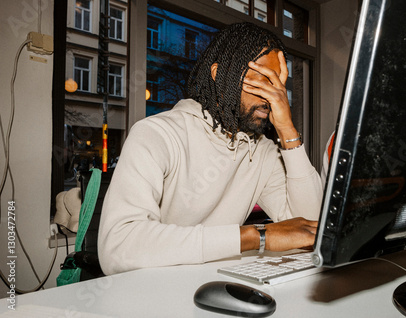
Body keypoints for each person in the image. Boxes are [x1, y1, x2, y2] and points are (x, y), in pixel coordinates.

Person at [98, 22, 323, 275]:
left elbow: (310, 229)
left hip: (217, 292)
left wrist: (288, 131)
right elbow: (118, 247)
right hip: (152, 295)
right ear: (219, 74)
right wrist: (256, 237)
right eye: (264, 81)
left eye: (279, 85)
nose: (274, 96)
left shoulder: (262, 151)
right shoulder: (157, 134)